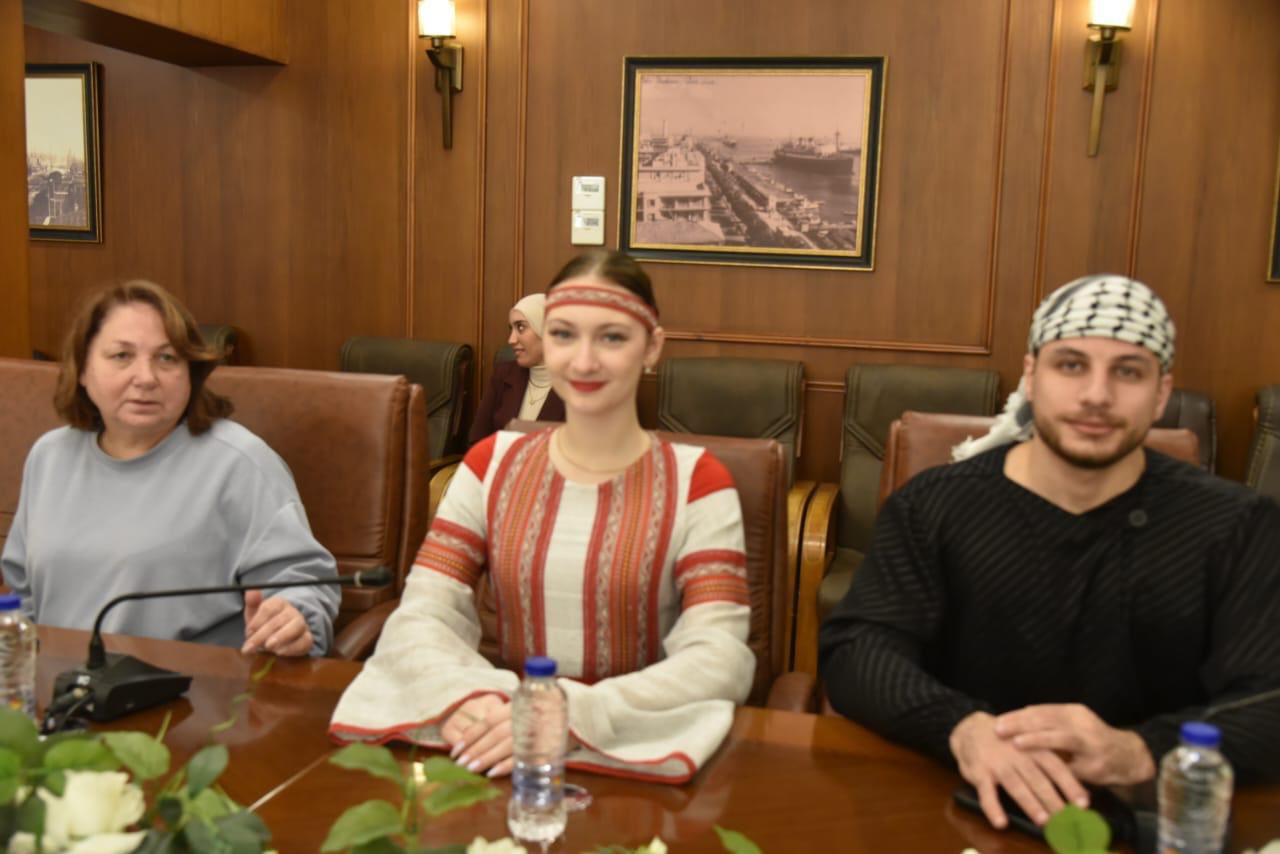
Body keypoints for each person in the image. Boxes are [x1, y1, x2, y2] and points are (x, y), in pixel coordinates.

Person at [819, 274, 1280, 830]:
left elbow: (1270, 699)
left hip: (1150, 821)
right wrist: (962, 729)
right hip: (957, 805)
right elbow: (859, 650)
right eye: (1071, 365)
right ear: (1032, 376)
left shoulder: (1236, 525)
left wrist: (1139, 750)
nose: (1097, 395)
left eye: (1128, 372)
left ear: (1161, 394)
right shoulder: (933, 506)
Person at [331, 250, 754, 782]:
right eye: (563, 335)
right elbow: (424, 614)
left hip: (630, 747)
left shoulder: (699, 482)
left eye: (612, 337)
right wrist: (474, 700)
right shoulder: (491, 464)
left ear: (652, 347)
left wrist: (571, 715)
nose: (583, 361)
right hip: (502, 744)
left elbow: (718, 656)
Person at [1, 280, 339, 656]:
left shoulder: (239, 463)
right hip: (54, 684)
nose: (146, 378)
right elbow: (22, 594)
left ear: (190, 372)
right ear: (82, 369)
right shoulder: (49, 456)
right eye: (122, 356)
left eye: (167, 359)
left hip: (187, 687)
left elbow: (304, 582)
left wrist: (294, 617)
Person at [468, 293, 565, 445]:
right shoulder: (503, 375)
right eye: (511, 329)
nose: (511, 340)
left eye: (521, 327)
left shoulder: (578, 384)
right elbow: (477, 440)